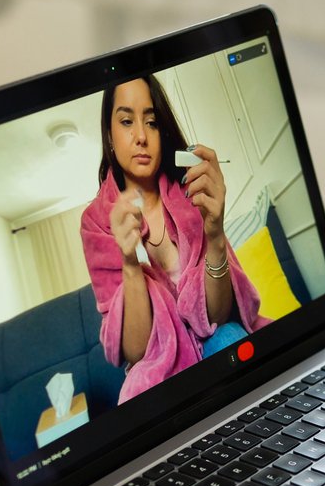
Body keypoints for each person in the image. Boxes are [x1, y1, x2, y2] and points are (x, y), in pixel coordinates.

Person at [80, 74, 265, 403]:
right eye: (126, 121)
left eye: (151, 122)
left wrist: (215, 234)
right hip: (160, 367)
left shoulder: (191, 190)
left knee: (230, 338)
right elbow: (137, 351)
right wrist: (130, 263)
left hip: (217, 338)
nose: (141, 136)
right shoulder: (95, 222)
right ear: (109, 134)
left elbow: (219, 316)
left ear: (162, 131)